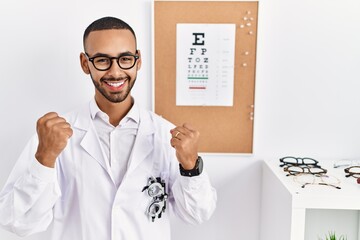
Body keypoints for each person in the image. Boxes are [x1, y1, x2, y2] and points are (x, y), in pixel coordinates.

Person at [0, 16, 217, 240]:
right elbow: (18, 222)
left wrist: (191, 166)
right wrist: (44, 158)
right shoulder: (52, 138)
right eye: (103, 60)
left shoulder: (165, 134)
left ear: (138, 60)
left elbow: (197, 214)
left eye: (125, 59)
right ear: (85, 63)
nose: (115, 72)